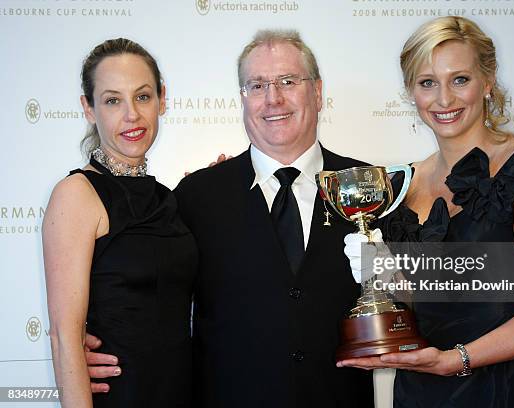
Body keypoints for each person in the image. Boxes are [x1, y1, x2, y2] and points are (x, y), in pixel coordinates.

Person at [84, 30, 375, 408]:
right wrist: (90, 346)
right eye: (256, 86)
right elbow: (150, 294)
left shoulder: (369, 186)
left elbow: (416, 296)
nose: (273, 98)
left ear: (317, 92)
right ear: (242, 98)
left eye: (288, 81)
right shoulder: (194, 197)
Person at [338, 16, 514, 407]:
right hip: (422, 392)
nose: (444, 100)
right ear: (411, 92)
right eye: (427, 83)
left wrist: (456, 360)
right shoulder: (402, 184)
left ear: (487, 82)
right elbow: (424, 302)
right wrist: (382, 279)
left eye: (460, 79)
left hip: (509, 392)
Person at [43, 38, 197, 408]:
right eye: (113, 100)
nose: (132, 115)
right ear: (89, 108)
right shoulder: (76, 194)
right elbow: (65, 338)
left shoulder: (168, 199)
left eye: (142, 97)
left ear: (162, 99)